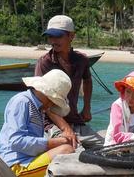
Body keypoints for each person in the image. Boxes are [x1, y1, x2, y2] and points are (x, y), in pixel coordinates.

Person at [0, 69, 76, 177]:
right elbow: (16, 141)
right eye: (53, 100)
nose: (51, 105)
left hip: (25, 165)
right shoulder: (22, 102)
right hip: (14, 168)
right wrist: (57, 142)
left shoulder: (36, 108)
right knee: (66, 150)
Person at [34, 14, 103, 149]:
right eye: (50, 36)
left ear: (71, 36)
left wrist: (87, 108)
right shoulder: (44, 62)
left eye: (58, 36)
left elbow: (87, 80)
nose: (53, 41)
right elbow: (42, 101)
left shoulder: (81, 60)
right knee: (71, 149)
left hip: (75, 119)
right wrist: (66, 129)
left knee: (105, 147)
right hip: (51, 123)